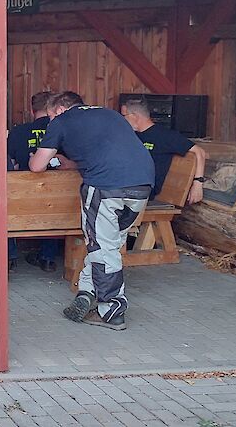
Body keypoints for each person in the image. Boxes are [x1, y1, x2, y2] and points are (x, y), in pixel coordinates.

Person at [30, 91, 154, 331]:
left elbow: (37, 166)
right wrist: (74, 163)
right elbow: (110, 151)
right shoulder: (110, 115)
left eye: (51, 115)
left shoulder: (61, 122)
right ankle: (86, 292)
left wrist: (37, 156)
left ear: (59, 109)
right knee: (109, 244)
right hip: (142, 183)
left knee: (101, 247)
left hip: (105, 187)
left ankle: (111, 309)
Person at [8, 91, 62, 272]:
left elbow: (10, 163)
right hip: (59, 200)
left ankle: (9, 257)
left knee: (4, 202)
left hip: (22, 198)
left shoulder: (18, 132)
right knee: (56, 200)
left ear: (32, 110)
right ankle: (47, 258)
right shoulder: (63, 129)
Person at [120, 96, 208, 204]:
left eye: (124, 116)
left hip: (144, 190)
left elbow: (200, 152)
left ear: (135, 116)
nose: (122, 120)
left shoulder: (165, 136)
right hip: (127, 185)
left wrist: (198, 184)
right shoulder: (132, 135)